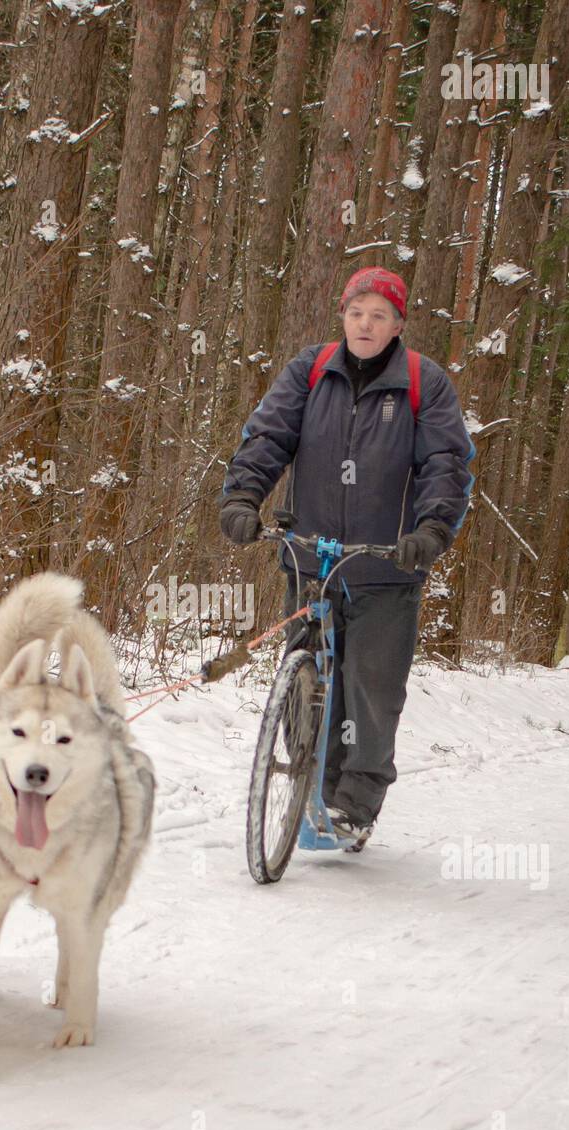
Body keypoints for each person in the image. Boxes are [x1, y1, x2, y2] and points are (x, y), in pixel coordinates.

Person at [219, 266, 476, 837]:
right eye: (356, 313)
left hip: (388, 565)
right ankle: (313, 781)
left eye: (378, 315)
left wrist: (431, 531)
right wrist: (242, 498)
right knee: (306, 683)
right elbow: (268, 437)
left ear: (397, 324)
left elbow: (446, 465)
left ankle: (355, 805)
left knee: (370, 688)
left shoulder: (422, 383)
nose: (365, 324)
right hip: (311, 557)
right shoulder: (310, 372)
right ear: (343, 316)